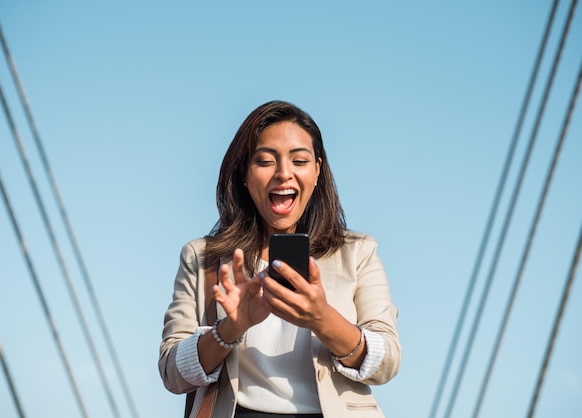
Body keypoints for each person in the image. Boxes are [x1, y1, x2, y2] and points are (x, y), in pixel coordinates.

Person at [159, 100, 401, 417]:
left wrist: (322, 319)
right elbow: (171, 372)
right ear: (244, 173)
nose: (284, 174)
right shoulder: (203, 257)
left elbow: (387, 363)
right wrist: (230, 327)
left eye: (299, 161)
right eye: (265, 161)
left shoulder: (357, 252)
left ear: (317, 170)